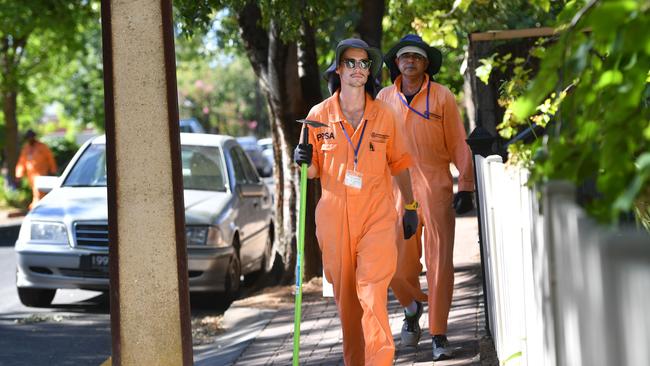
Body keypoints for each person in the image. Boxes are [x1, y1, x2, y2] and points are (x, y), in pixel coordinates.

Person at [293, 38, 419, 366]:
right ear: (338, 68)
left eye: (364, 63)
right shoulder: (317, 117)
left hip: (377, 213)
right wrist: (301, 161)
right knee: (348, 303)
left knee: (371, 291)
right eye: (351, 62)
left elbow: (401, 164)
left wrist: (410, 207)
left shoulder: (385, 115)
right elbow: (314, 172)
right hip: (334, 217)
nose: (359, 69)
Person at [376, 34, 475, 361]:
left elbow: (460, 144)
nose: (410, 61)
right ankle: (411, 304)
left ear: (426, 63)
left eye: (416, 57)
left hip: (435, 187)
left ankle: (439, 333)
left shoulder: (443, 97)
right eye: (404, 56)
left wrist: (467, 187)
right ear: (397, 62)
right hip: (396, 192)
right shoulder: (383, 99)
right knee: (393, 263)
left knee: (439, 262)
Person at [15, 129, 57, 209]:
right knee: (36, 193)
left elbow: (50, 158)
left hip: (42, 174)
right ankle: (39, 208)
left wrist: (53, 170)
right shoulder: (26, 149)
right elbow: (21, 163)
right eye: (28, 137)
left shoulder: (42, 147)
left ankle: (35, 208)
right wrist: (18, 176)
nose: (30, 139)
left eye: (31, 137)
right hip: (31, 176)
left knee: (38, 193)